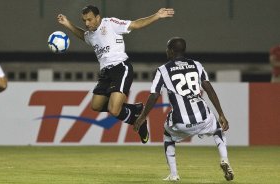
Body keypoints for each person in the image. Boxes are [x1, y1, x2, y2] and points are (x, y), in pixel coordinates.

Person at [57, 5, 174, 143]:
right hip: (105, 73)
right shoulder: (90, 34)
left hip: (120, 68)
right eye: (84, 21)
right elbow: (84, 36)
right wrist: (68, 24)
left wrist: (157, 16)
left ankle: (139, 121)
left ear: (98, 17)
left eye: (89, 19)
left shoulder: (110, 24)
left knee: (114, 110)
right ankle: (135, 110)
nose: (87, 23)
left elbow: (135, 24)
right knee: (96, 106)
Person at [134, 37, 234, 181]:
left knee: (168, 134)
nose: (166, 51)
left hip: (181, 122)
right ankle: (224, 159)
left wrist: (143, 116)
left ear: (172, 51)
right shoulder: (196, 65)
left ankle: (174, 174)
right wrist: (221, 114)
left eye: (167, 48)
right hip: (203, 117)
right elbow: (209, 89)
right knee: (218, 129)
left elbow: (154, 95)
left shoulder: (163, 70)